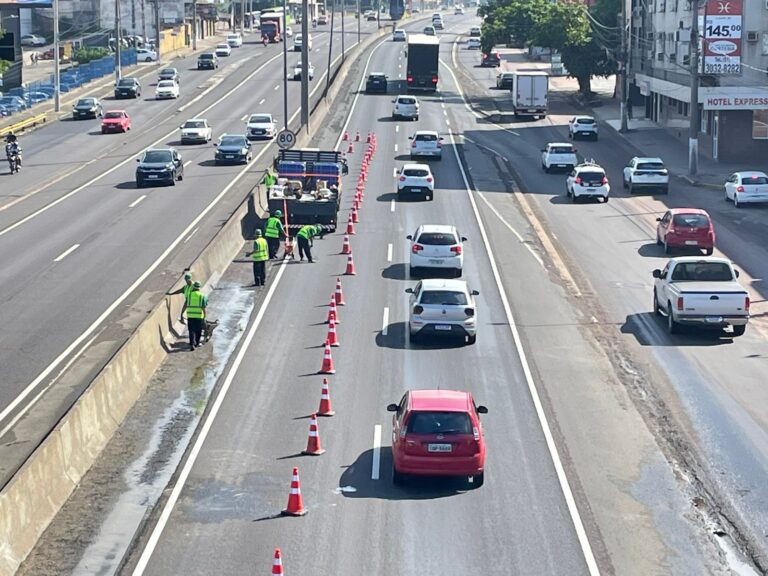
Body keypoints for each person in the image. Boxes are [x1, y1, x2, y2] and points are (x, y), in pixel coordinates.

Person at [181, 281, 207, 350]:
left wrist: (182, 313)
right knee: (198, 331)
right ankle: (197, 343)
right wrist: (204, 317)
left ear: (194, 287)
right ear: (199, 288)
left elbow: (185, 305)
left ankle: (192, 344)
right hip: (199, 316)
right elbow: (203, 307)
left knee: (191, 330)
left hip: (190, 316)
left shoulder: (189, 295)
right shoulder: (202, 296)